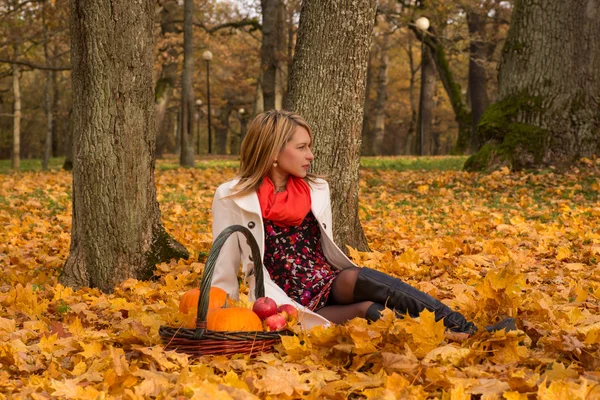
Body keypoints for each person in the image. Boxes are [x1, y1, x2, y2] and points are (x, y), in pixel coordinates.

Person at [210, 110, 515, 334]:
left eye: (309, 146)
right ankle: (453, 338)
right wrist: (218, 318)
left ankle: (465, 329)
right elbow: (222, 267)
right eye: (301, 147)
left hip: (325, 280)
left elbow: (324, 250)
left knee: (367, 279)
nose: (311, 155)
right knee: (372, 313)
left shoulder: (314, 189)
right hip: (286, 299)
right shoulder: (233, 196)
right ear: (274, 151)